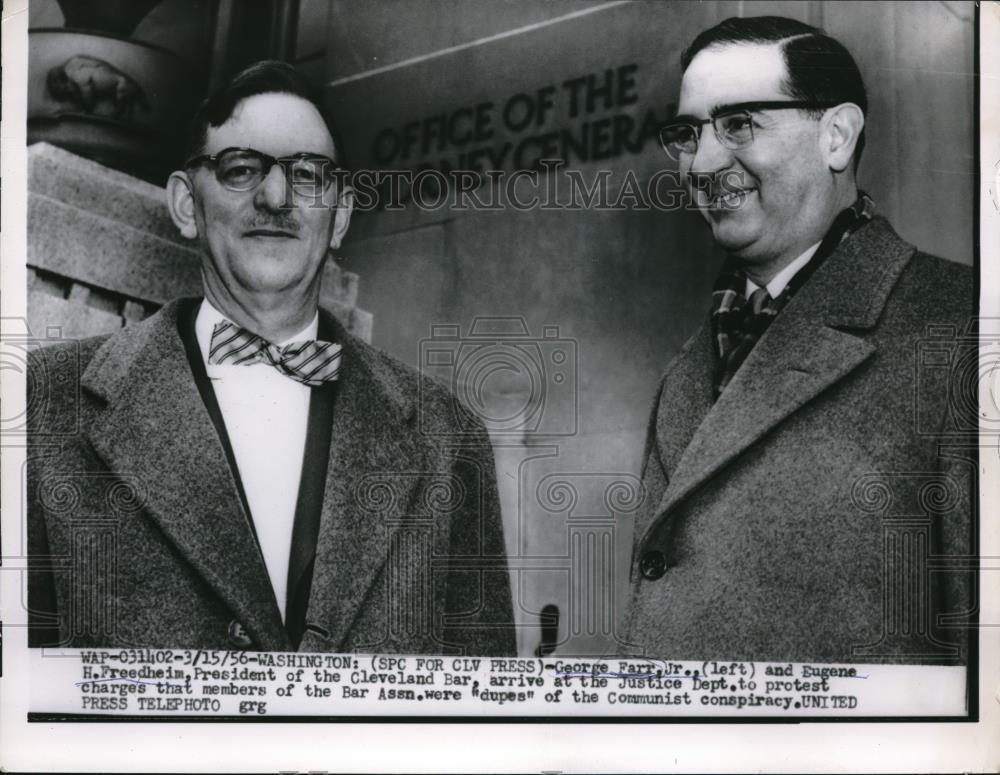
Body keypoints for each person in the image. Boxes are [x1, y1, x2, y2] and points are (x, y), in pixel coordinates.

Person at [27, 61, 516, 655]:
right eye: (241, 169)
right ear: (186, 204)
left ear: (340, 215)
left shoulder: (448, 435)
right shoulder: (42, 404)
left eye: (308, 176)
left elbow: (482, 720)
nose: (276, 197)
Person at [624, 17, 973, 664]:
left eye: (738, 125)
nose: (700, 164)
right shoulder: (686, 370)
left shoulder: (964, 329)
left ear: (836, 136)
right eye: (688, 133)